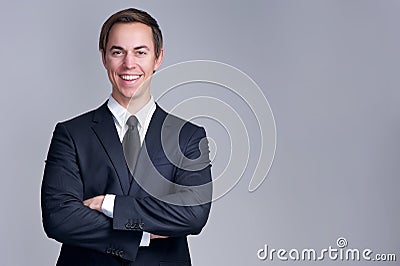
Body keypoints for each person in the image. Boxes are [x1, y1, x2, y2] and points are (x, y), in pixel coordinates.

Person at [41, 8, 212, 266]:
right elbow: (59, 218)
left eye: (140, 52)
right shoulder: (70, 134)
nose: (128, 64)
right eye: (117, 52)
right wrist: (140, 235)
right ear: (104, 58)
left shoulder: (187, 137)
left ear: (158, 58)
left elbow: (193, 214)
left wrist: (109, 204)